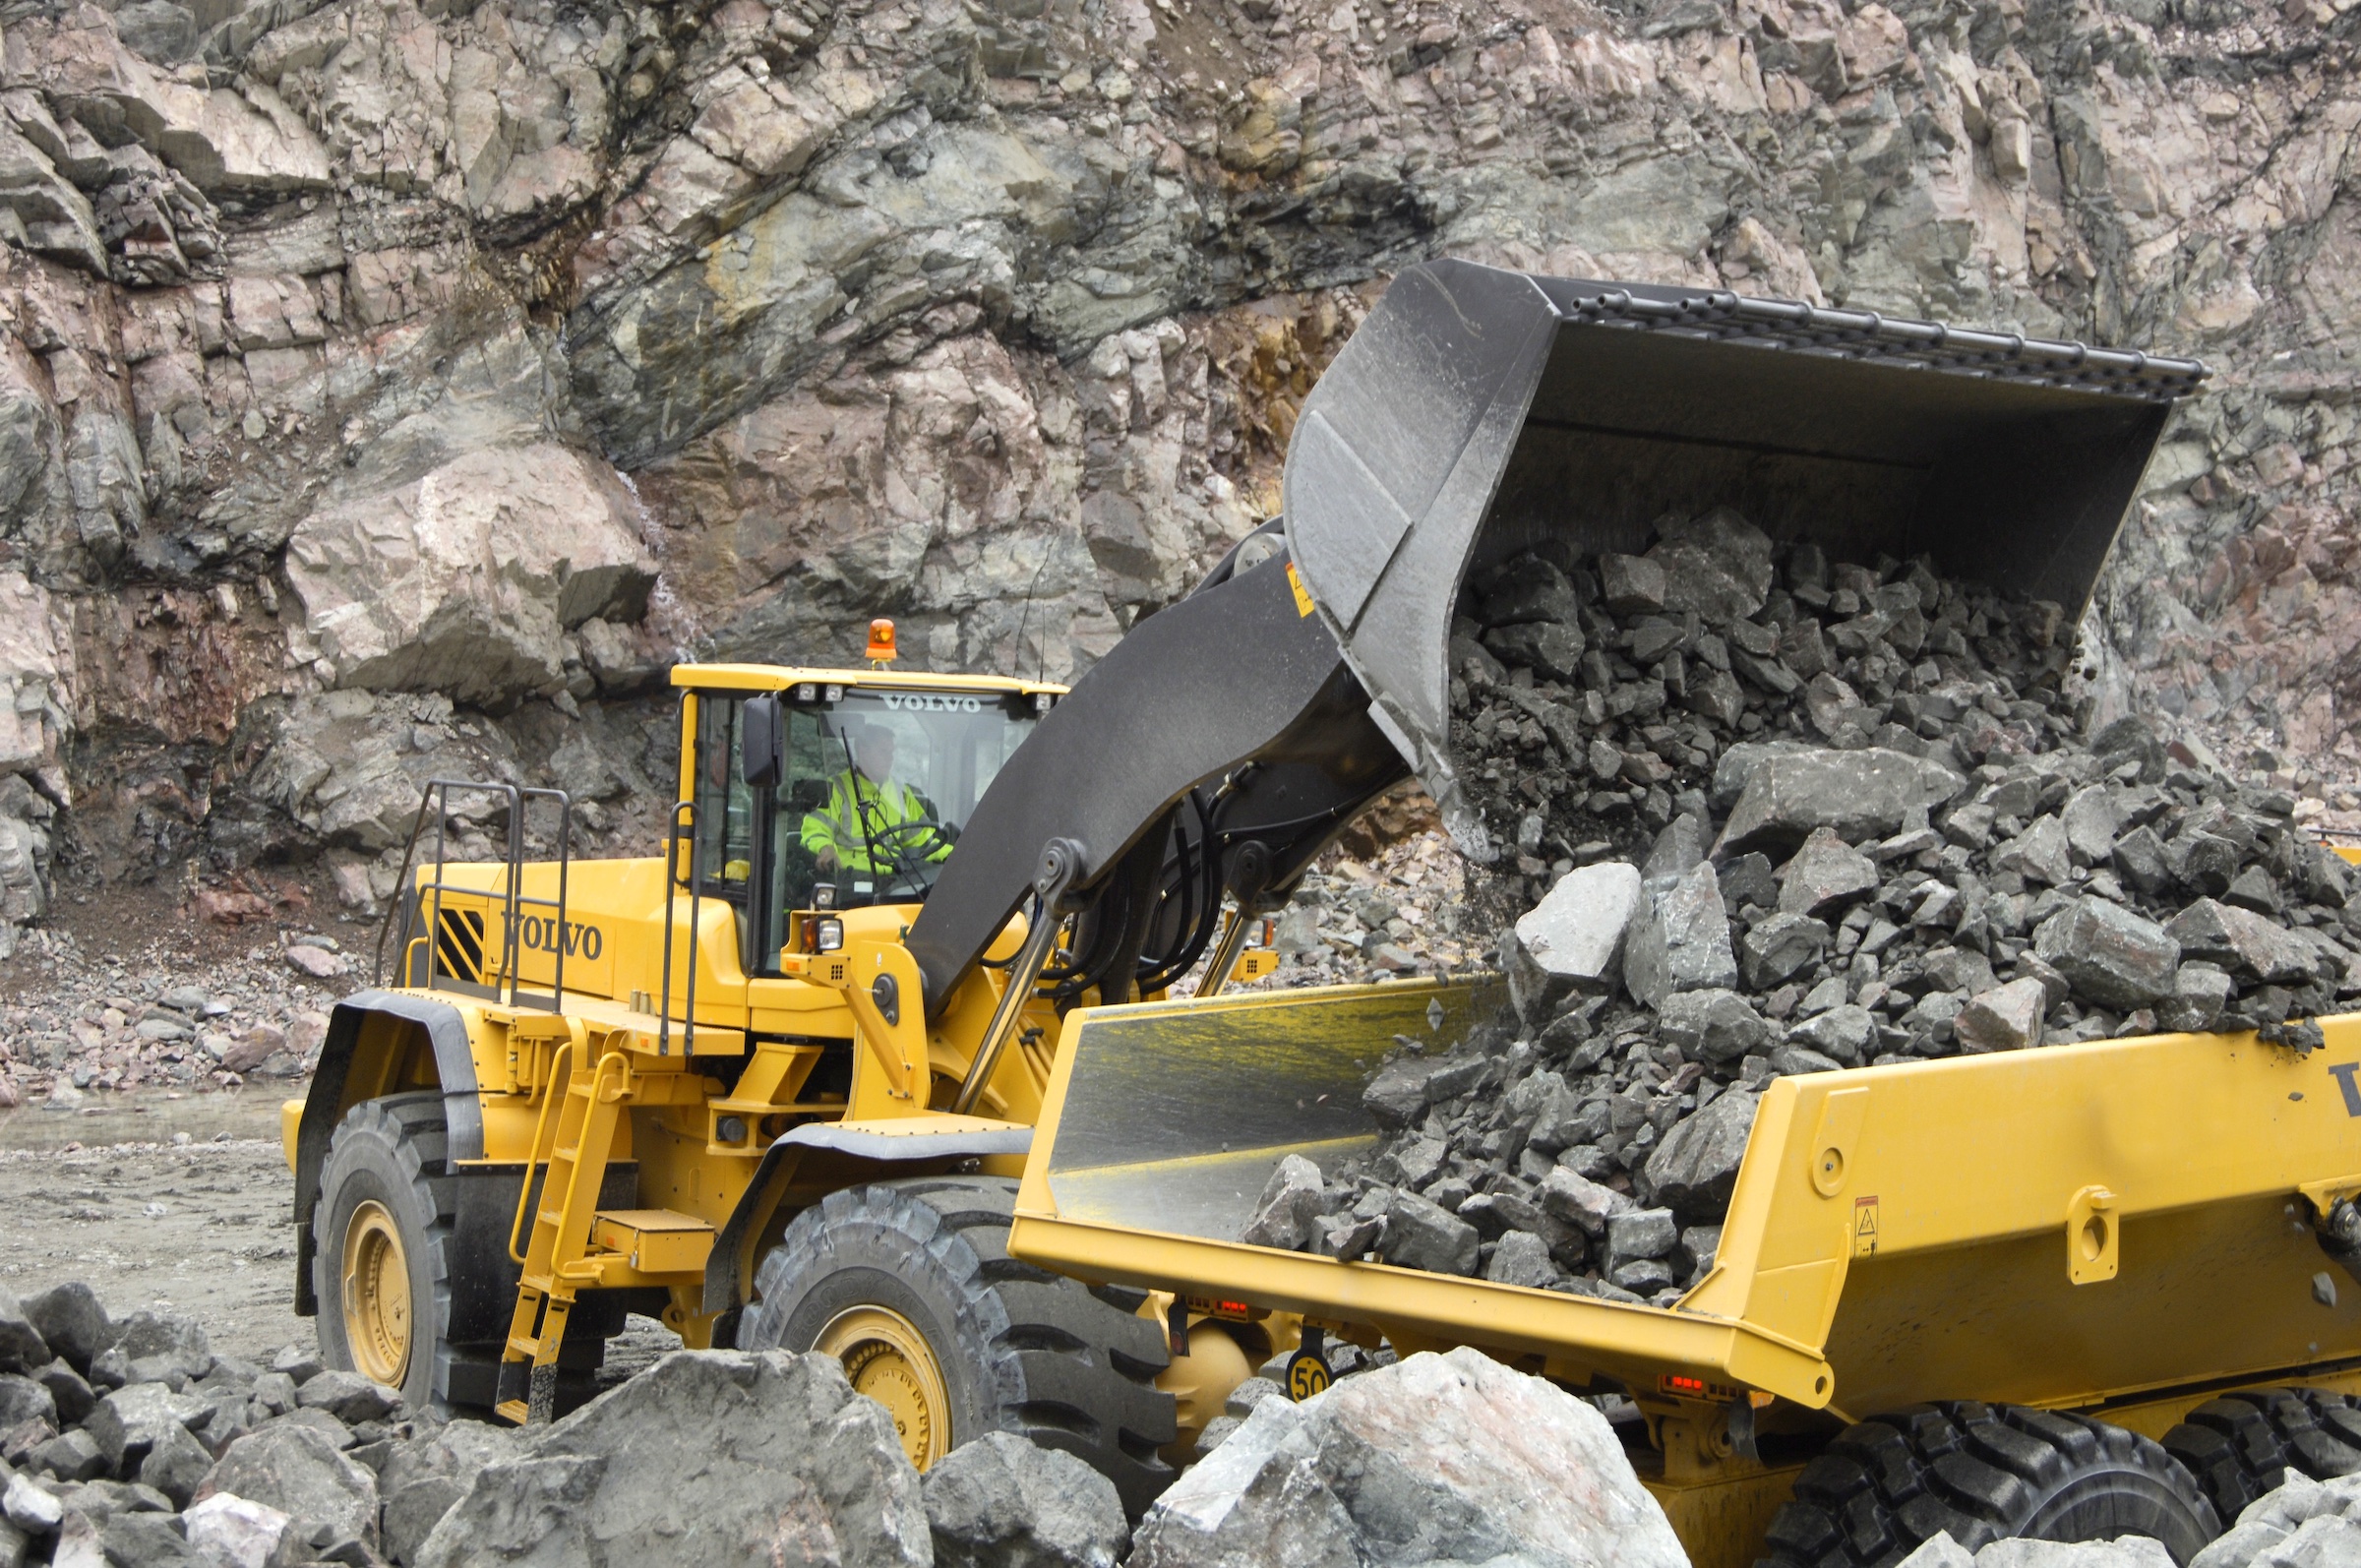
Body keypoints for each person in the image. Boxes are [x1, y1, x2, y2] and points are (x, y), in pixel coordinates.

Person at [800, 720, 950, 878]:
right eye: (883, 752)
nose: (890, 758)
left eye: (891, 753)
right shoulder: (836, 789)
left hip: (893, 880)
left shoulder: (901, 792)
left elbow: (922, 842)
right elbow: (815, 829)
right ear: (862, 751)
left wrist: (954, 855)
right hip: (847, 882)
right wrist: (825, 848)